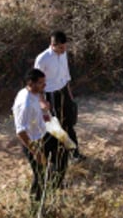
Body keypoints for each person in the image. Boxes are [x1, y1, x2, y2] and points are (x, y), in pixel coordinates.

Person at [13, 68, 68, 204]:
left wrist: (43, 106)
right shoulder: (24, 103)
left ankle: (56, 186)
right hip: (34, 143)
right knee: (40, 175)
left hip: (45, 133)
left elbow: (39, 97)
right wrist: (36, 152)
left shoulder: (33, 92)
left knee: (63, 153)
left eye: (44, 82)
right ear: (31, 83)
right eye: (41, 83)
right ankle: (35, 204)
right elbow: (20, 131)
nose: (44, 86)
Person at [35, 30, 82, 160]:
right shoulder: (42, 59)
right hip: (51, 95)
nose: (63, 49)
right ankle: (56, 156)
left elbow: (66, 75)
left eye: (65, 46)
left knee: (69, 123)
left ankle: (74, 153)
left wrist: (70, 94)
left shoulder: (63, 54)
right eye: (61, 47)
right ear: (53, 44)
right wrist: (41, 101)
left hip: (64, 92)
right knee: (55, 126)